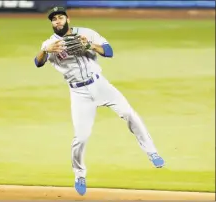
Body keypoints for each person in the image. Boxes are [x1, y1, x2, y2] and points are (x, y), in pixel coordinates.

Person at [34, 6, 165, 196]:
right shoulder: (49, 44)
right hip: (79, 94)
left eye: (60, 17)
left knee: (129, 114)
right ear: (52, 24)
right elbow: (38, 63)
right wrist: (44, 50)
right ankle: (79, 175)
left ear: (67, 19)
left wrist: (90, 46)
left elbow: (109, 51)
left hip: (101, 85)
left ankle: (152, 152)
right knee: (81, 137)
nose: (57, 21)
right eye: (54, 20)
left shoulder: (87, 33)